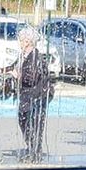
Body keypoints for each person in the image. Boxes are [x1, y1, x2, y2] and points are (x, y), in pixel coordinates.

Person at [14, 27, 53, 162]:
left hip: (36, 96)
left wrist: (19, 76)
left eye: (21, 40)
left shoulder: (35, 56)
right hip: (28, 95)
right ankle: (32, 148)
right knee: (24, 120)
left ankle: (35, 151)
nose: (19, 42)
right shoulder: (23, 56)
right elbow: (13, 67)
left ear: (27, 41)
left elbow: (32, 77)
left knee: (33, 123)